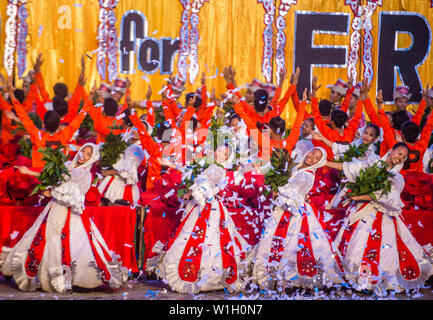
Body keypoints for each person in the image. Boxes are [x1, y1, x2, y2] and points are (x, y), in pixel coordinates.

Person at [0, 143, 128, 293]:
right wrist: (28, 172)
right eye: (83, 151)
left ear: (92, 159)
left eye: (87, 154)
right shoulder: (68, 166)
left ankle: (67, 278)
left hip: (70, 214)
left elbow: (73, 196)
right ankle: (45, 277)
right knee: (45, 239)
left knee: (67, 243)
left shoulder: (85, 174)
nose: (83, 155)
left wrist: (52, 192)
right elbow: (52, 177)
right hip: (54, 209)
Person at [327, 142, 433, 294]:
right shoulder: (374, 163)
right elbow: (352, 168)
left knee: (378, 246)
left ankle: (374, 279)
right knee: (356, 242)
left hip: (382, 214)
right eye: (399, 153)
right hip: (361, 209)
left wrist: (359, 196)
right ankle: (353, 275)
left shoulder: (397, 177)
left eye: (403, 157)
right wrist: (324, 162)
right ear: (391, 151)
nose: (400, 158)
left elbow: (384, 196)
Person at [156, 143, 252, 294]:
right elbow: (192, 175)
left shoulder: (219, 170)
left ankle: (208, 279)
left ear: (227, 157)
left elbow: (205, 190)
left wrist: (193, 192)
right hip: (202, 206)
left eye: (222, 152)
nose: (218, 153)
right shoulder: (210, 167)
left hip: (209, 208)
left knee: (210, 241)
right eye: (218, 150)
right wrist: (172, 165)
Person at [252, 147, 344, 292]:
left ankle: (286, 278)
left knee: (290, 244)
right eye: (312, 152)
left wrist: (277, 193)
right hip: (282, 210)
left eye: (317, 158)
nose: (312, 157)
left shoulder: (307, 175)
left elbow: (293, 199)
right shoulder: (295, 166)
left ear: (319, 163)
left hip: (293, 214)